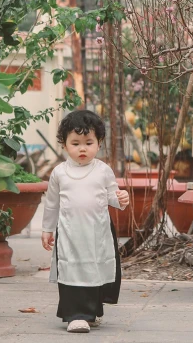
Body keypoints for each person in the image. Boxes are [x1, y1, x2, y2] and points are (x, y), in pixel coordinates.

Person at [41, 109, 130, 333]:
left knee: (94, 268)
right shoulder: (59, 173)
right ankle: (76, 315)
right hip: (70, 232)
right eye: (76, 143)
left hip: (97, 231)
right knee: (72, 268)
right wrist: (47, 229)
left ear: (99, 143)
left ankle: (91, 311)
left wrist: (122, 199)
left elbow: (113, 197)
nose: (82, 148)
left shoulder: (103, 171)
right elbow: (52, 204)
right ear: (64, 145)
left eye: (89, 142)